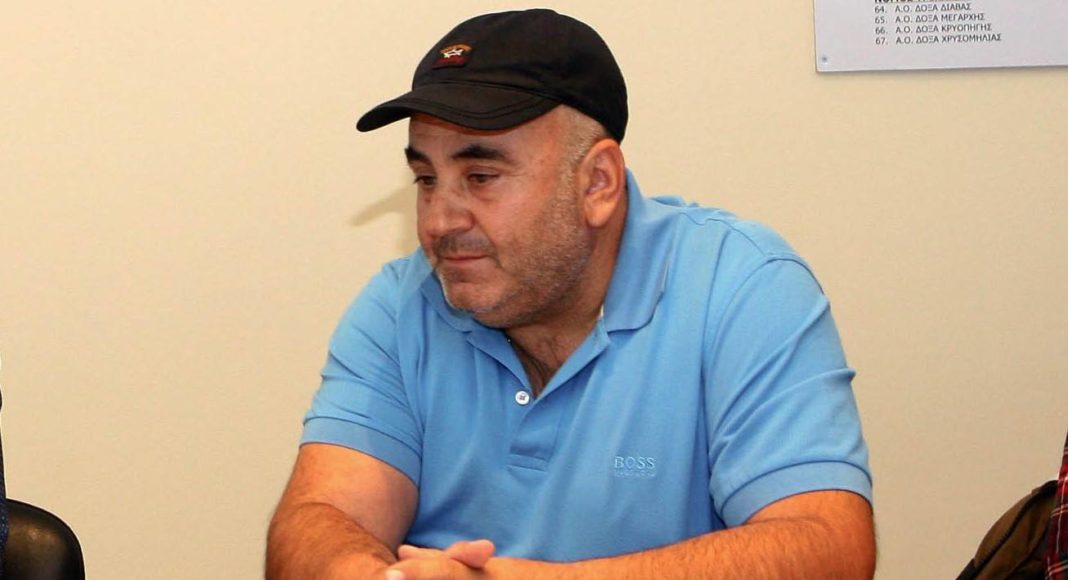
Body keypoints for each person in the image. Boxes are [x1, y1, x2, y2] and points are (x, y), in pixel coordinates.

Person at [267, 9, 875, 579]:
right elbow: (320, 517)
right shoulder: (403, 304)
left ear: (597, 183)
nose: (439, 221)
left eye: (481, 176)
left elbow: (827, 544)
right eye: (426, 179)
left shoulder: (739, 285)